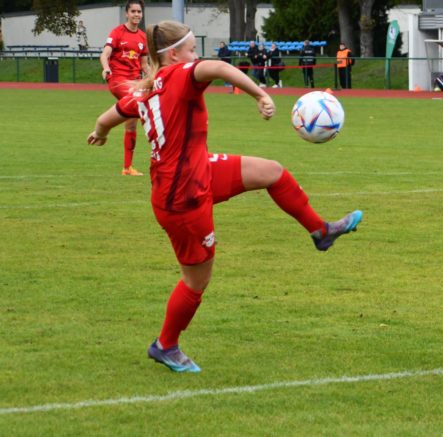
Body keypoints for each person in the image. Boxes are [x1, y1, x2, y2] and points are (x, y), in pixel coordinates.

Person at [86, 20, 364, 373]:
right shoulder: (179, 74)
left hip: (195, 172)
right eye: (190, 50)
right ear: (174, 54)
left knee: (272, 172)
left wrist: (99, 133)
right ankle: (165, 345)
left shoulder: (145, 89)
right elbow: (217, 68)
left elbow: (106, 117)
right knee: (196, 281)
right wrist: (261, 94)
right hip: (182, 197)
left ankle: (320, 231)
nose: (195, 56)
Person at [99, 0, 149, 176]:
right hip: (119, 81)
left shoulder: (143, 37)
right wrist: (106, 68)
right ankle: (107, 121)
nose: (136, 14)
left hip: (136, 82)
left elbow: (144, 65)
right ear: (126, 13)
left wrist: (154, 78)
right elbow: (105, 54)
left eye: (139, 12)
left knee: (131, 125)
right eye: (133, 11)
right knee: (140, 103)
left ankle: (127, 168)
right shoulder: (117, 32)